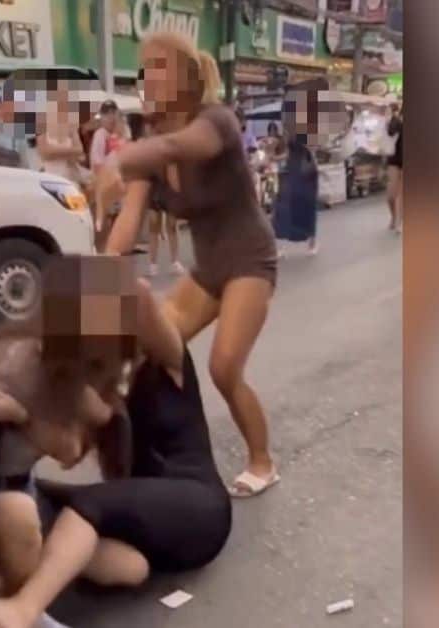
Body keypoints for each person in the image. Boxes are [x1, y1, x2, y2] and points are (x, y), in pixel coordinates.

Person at [0, 258, 230, 628]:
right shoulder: (97, 391)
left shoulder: (168, 360)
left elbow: (139, 295)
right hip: (146, 522)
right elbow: (69, 452)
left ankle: (24, 609)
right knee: (128, 565)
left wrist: (84, 281)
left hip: (198, 505)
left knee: (87, 505)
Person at [99, 33, 281, 497]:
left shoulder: (214, 122)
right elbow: (129, 223)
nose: (150, 76)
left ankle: (263, 460)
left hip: (250, 260)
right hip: (208, 270)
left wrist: (118, 161)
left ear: (187, 75)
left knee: (224, 368)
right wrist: (96, 275)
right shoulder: (149, 144)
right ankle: (158, 456)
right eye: (145, 67)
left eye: (160, 65)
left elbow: (178, 149)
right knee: (147, 354)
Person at [273, 131, 320, 257]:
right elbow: (288, 154)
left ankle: (312, 243)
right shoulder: (289, 132)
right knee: (283, 206)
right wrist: (274, 158)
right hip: (293, 172)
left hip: (307, 173)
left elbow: (313, 150)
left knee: (308, 208)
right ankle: (280, 245)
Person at [89, 100, 131, 239]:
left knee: (120, 219)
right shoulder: (100, 135)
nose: (111, 117)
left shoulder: (122, 134)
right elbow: (97, 163)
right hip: (106, 183)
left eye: (113, 113)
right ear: (102, 116)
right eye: (107, 114)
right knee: (106, 221)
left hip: (120, 183)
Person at [35, 81, 86, 187]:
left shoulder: (71, 123)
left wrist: (56, 152)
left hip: (70, 182)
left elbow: (80, 151)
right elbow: (45, 152)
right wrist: (70, 153)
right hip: (49, 181)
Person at [386, 103, 403, 233]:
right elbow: (389, 133)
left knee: (400, 195)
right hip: (394, 159)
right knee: (391, 195)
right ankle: (394, 217)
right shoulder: (396, 120)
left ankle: (398, 222)